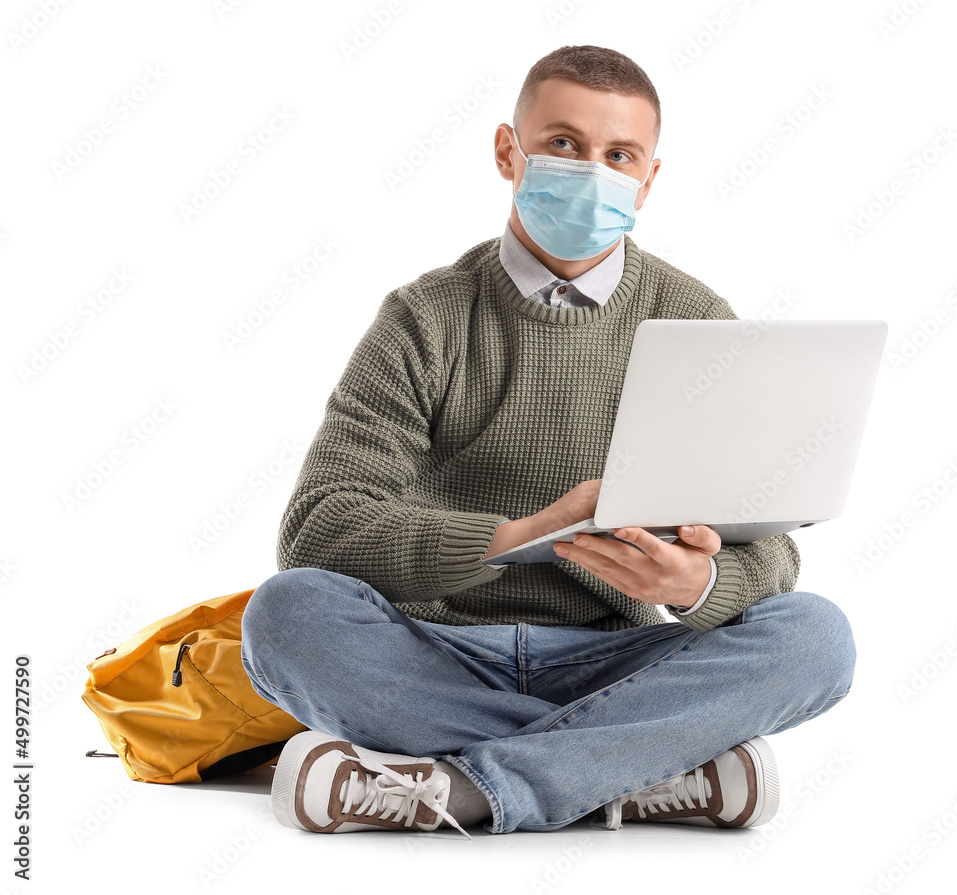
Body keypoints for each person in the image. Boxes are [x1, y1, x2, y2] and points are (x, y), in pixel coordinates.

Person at [240, 45, 855, 837]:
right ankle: (629, 770)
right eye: (564, 143)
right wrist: (515, 537)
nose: (591, 171)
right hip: (434, 650)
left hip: (610, 660)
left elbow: (771, 557)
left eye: (618, 155)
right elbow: (318, 527)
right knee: (286, 615)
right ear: (509, 151)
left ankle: (462, 786)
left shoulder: (696, 320)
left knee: (815, 638)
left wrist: (695, 580)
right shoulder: (425, 317)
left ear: (649, 179)